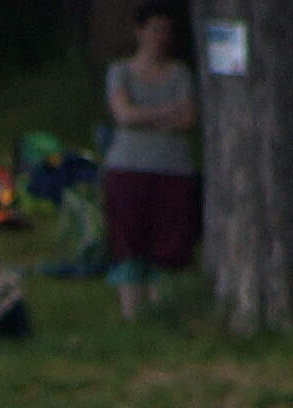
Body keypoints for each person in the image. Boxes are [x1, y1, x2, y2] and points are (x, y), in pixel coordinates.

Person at [102, 0, 199, 321]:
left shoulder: (180, 73)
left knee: (169, 242)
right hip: (128, 166)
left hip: (173, 169)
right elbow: (124, 115)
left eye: (166, 31)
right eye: (155, 30)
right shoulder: (120, 72)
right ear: (140, 31)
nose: (161, 37)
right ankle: (132, 313)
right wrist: (167, 112)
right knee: (128, 241)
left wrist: (144, 116)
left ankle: (161, 312)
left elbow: (187, 119)